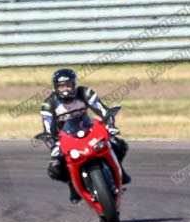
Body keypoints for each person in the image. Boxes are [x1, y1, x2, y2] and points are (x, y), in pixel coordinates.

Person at [40, 68, 131, 203]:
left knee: (119, 144)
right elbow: (48, 129)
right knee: (55, 168)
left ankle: (119, 170)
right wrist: (52, 142)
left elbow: (104, 111)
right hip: (66, 138)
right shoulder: (49, 104)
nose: (65, 89)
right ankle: (72, 185)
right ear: (55, 88)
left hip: (88, 130)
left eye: (68, 85)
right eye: (61, 86)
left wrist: (110, 125)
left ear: (74, 84)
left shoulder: (84, 93)